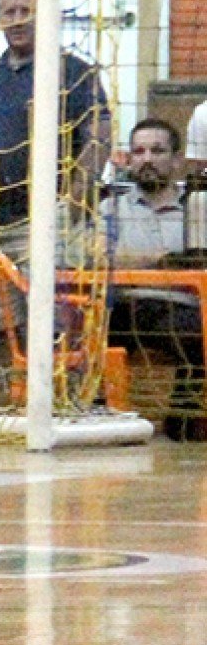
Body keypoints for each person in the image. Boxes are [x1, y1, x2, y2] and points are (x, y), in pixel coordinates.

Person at [0, 0, 110, 354]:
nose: (17, 20)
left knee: (50, 325)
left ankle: (59, 408)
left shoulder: (76, 74)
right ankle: (1, 408)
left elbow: (99, 140)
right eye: (9, 12)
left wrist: (70, 205)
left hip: (41, 223)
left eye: (27, 11)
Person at [100, 118, 203, 440]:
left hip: (185, 306)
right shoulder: (111, 208)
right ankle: (177, 423)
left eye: (157, 151)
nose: (146, 159)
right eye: (139, 151)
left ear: (176, 160)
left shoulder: (197, 208)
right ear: (129, 159)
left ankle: (183, 419)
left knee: (196, 328)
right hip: (128, 306)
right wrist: (162, 260)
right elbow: (99, 258)